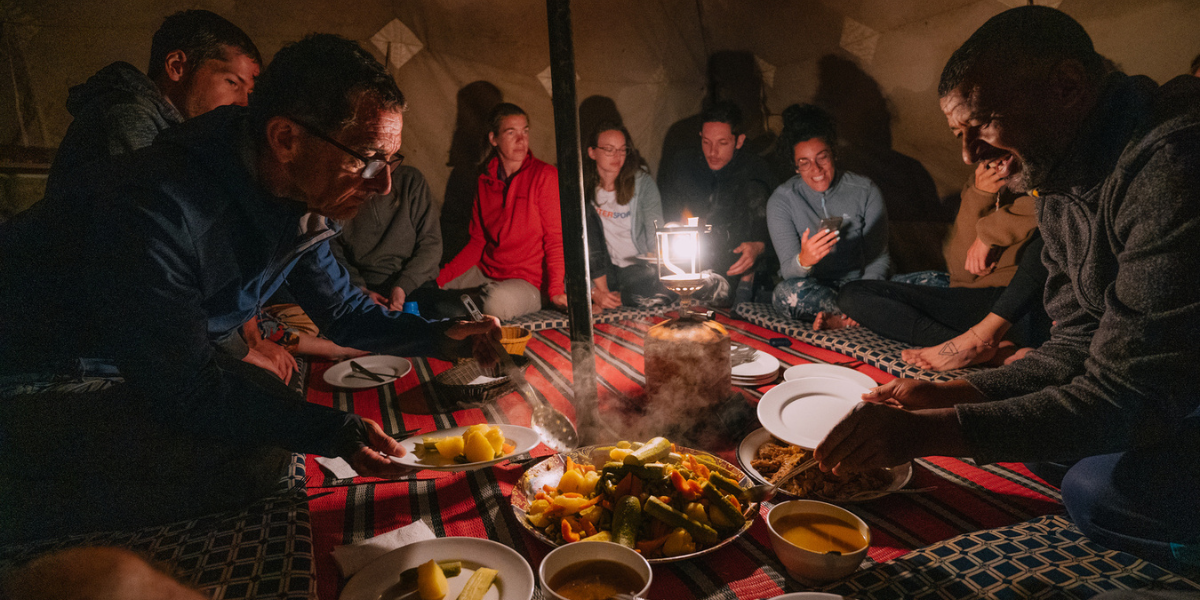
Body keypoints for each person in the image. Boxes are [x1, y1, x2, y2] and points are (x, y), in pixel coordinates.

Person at [0, 34, 497, 543]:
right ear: (286, 139)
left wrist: (441, 336)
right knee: (253, 452)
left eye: (392, 161)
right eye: (369, 158)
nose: (383, 184)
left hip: (148, 361)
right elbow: (184, 388)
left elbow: (344, 311)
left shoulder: (293, 198)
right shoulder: (159, 207)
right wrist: (334, 431)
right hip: (46, 376)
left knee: (263, 408)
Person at [814, 7, 1200, 573]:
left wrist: (930, 433)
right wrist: (958, 392)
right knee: (1043, 447)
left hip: (1179, 392)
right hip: (1152, 389)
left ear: (1067, 86)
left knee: (1092, 491)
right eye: (958, 135)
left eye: (984, 123)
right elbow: (1074, 346)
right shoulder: (1063, 178)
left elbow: (1129, 392)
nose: (970, 156)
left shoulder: (1172, 162)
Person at [837, 160, 1049, 369]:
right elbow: (962, 274)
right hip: (970, 303)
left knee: (1045, 241)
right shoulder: (980, 184)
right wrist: (979, 194)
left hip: (1024, 305)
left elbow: (1049, 207)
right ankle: (980, 348)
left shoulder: (1051, 187)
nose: (991, 159)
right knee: (852, 294)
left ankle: (978, 344)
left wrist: (989, 234)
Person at [47, 9, 260, 199]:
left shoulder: (182, 132)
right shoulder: (127, 116)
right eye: (232, 82)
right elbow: (151, 211)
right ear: (177, 66)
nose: (243, 103)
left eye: (249, 92)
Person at [435, 103, 566, 320]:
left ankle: (473, 307)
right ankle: (466, 305)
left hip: (526, 281)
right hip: (485, 272)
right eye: (511, 132)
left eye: (525, 131)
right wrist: (440, 279)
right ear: (493, 138)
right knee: (426, 291)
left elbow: (555, 239)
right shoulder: (485, 181)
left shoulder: (545, 176)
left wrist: (555, 292)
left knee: (495, 303)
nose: (521, 140)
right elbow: (477, 241)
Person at [766, 103, 889, 329]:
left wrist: (864, 298)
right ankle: (858, 317)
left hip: (860, 286)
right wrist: (804, 260)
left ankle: (846, 317)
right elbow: (788, 272)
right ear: (795, 167)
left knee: (937, 282)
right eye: (804, 163)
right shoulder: (782, 200)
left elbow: (879, 258)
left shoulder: (865, 190)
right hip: (816, 289)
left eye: (822, 157)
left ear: (833, 153)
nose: (816, 169)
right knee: (785, 295)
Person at [657, 100, 775, 308]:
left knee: (716, 295)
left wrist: (760, 245)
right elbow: (669, 215)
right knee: (643, 291)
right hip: (691, 259)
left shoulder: (755, 169)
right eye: (706, 142)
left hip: (736, 259)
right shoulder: (683, 165)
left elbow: (778, 224)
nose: (713, 152)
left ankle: (746, 287)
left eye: (722, 143)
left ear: (739, 141)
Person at [330, 165, 447, 317]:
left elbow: (431, 244)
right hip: (367, 287)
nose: (384, 184)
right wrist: (361, 289)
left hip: (415, 283)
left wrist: (403, 286)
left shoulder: (408, 179)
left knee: (446, 318)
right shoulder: (338, 192)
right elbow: (334, 255)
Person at [583, 121, 674, 312]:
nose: (617, 156)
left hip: (634, 267)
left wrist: (664, 268)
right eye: (609, 149)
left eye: (622, 150)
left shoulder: (642, 184)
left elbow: (655, 230)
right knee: (567, 281)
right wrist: (594, 290)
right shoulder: (582, 188)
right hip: (599, 270)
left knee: (662, 289)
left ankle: (614, 299)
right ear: (592, 152)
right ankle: (599, 294)